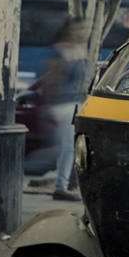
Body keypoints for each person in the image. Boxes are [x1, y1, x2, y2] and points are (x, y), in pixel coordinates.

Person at [42, 19, 89, 202]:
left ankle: (63, 185)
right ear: (69, 30)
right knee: (68, 147)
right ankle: (60, 187)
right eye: (80, 28)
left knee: (69, 147)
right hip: (62, 104)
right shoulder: (61, 50)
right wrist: (48, 105)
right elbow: (51, 79)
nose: (84, 32)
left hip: (74, 103)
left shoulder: (78, 50)